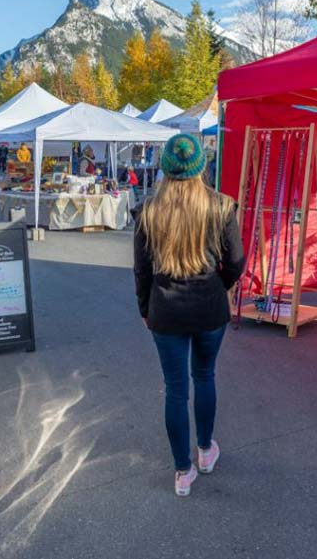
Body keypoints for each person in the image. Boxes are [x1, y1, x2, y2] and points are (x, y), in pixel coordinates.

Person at [133, 133, 245, 497]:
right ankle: (206, 450)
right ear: (200, 167)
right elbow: (235, 263)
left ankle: (183, 472)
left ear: (166, 167)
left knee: (176, 390)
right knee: (205, 375)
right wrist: (218, 286)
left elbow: (142, 270)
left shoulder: (149, 209)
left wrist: (144, 309)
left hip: (165, 309)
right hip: (209, 307)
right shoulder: (222, 206)